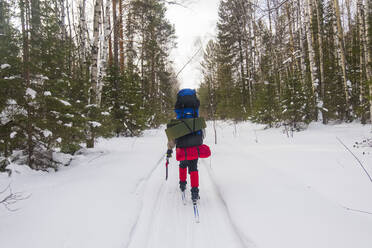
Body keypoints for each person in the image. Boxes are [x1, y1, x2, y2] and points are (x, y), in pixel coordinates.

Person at [166, 88, 205, 203]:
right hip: (195, 144)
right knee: (194, 167)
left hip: (181, 146)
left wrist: (169, 150)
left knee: (183, 164)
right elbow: (202, 134)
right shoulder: (196, 119)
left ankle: (182, 185)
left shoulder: (177, 120)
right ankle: (195, 192)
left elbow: (172, 138)